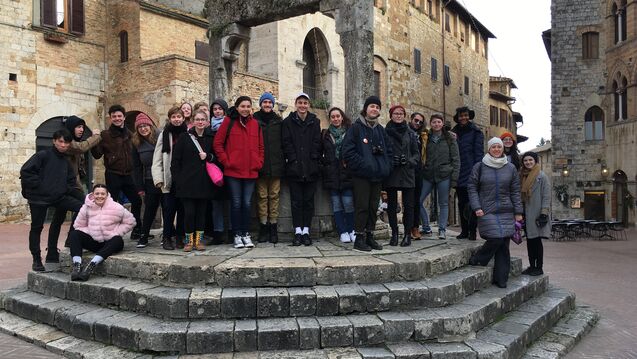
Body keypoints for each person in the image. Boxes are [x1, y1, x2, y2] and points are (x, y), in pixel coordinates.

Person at [20, 129, 84, 271]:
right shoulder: (43, 155)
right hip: (38, 199)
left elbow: (71, 181)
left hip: (58, 197)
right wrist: (41, 186)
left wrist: (68, 190)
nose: (63, 145)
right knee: (37, 228)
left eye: (66, 142)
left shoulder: (65, 161)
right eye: (60, 141)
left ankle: (70, 239)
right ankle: (36, 260)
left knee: (82, 208)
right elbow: (26, 171)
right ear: (54, 141)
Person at [468, 137, 523, 288]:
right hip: (487, 210)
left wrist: (518, 211)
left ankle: (501, 279)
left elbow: (515, 191)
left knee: (504, 244)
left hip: (506, 210)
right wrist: (476, 207)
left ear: (502, 149)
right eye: (494, 147)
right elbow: (472, 188)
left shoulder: (510, 168)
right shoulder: (479, 167)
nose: (497, 149)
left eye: (499, 147)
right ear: (489, 149)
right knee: (496, 238)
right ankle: (479, 258)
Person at [342, 95, 392, 252]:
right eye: (372, 106)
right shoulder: (356, 128)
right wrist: (364, 165)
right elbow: (348, 151)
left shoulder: (380, 130)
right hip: (361, 175)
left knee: (372, 207)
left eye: (377, 107)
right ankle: (359, 237)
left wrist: (385, 166)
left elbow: (388, 151)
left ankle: (370, 236)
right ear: (366, 109)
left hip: (377, 175)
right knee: (362, 206)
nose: (374, 109)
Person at [214, 96, 264, 249]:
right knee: (236, 203)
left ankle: (246, 234)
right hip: (233, 171)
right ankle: (237, 235)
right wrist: (226, 161)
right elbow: (218, 144)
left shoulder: (255, 124)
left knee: (247, 204)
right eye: (242, 106)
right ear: (237, 107)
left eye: (248, 106)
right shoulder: (228, 122)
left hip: (250, 171)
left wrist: (259, 162)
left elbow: (261, 147)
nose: (245, 109)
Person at [50, 115, 101, 252]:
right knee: (59, 217)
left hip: (74, 185)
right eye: (78, 127)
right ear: (71, 128)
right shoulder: (67, 142)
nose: (81, 130)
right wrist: (95, 136)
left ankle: (70, 239)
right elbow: (82, 147)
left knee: (82, 209)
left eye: (83, 127)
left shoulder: (75, 141)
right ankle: (54, 247)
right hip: (64, 186)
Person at [91, 104, 143, 239]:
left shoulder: (130, 135)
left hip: (128, 174)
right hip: (113, 173)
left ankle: (137, 229)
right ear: (110, 118)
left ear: (124, 117)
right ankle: (111, 232)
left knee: (137, 201)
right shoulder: (105, 135)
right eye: (114, 116)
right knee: (111, 204)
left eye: (119, 116)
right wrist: (94, 140)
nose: (117, 118)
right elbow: (97, 155)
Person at [171, 109, 216, 251]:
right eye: (198, 119)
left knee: (201, 213)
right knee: (189, 213)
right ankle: (189, 241)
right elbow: (175, 161)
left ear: (207, 122)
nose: (200, 122)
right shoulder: (185, 137)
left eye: (203, 119)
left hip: (204, 182)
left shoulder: (211, 137)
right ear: (193, 121)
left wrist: (207, 156)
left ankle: (199, 241)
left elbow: (217, 158)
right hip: (187, 182)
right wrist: (178, 180)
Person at [69, 184, 135, 281]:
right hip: (94, 242)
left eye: (102, 194)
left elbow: (131, 222)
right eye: (97, 193)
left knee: (118, 240)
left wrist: (116, 232)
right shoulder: (86, 207)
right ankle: (77, 266)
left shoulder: (116, 207)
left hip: (110, 242)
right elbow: (78, 225)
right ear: (93, 194)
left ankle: (91, 265)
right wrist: (90, 232)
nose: (100, 196)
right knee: (74, 234)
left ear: (107, 195)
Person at [282, 93, 322, 246]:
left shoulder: (315, 121)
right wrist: (292, 159)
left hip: (310, 168)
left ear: (308, 105)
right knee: (296, 201)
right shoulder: (288, 122)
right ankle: (298, 230)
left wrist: (313, 158)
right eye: (300, 102)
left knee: (308, 202)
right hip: (295, 168)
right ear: (295, 104)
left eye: (305, 103)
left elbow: (317, 142)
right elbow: (286, 142)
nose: (302, 105)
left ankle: (306, 231)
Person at [384, 105, 420, 247]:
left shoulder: (411, 133)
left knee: (409, 206)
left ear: (404, 116)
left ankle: (407, 234)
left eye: (401, 113)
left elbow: (416, 154)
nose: (398, 116)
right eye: (395, 113)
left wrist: (410, 161)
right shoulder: (385, 132)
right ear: (391, 115)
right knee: (392, 206)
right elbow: (383, 151)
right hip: (392, 172)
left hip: (407, 173)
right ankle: (394, 233)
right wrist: (391, 160)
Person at [152, 106, 187, 250]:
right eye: (174, 117)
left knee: (182, 210)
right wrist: (158, 179)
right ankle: (167, 237)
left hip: (184, 179)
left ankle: (180, 237)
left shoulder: (188, 133)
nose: (177, 119)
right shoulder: (164, 134)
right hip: (169, 179)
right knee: (169, 210)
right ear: (170, 119)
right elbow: (157, 158)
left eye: (179, 117)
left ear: (183, 118)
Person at [420, 114, 460, 240]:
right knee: (418, 200)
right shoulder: (425, 136)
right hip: (428, 174)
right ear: (430, 124)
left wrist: (454, 178)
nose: (436, 124)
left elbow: (456, 159)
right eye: (434, 122)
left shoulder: (450, 138)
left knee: (443, 203)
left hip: (444, 174)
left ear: (442, 124)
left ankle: (442, 229)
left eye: (439, 122)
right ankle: (426, 227)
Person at [254, 92, 285, 244]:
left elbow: (283, 143)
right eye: (264, 102)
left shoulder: (278, 121)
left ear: (273, 105)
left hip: (276, 165)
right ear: (261, 104)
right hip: (260, 166)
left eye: (269, 102)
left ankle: (273, 226)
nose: (267, 105)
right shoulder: (254, 120)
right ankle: (263, 227)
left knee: (274, 196)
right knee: (261, 197)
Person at [321, 107, 355, 243]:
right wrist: (325, 165)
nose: (335, 119)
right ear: (330, 119)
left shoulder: (350, 132)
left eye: (338, 116)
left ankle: (352, 229)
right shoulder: (325, 134)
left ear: (342, 117)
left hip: (347, 173)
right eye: (333, 117)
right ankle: (342, 231)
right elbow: (321, 152)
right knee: (336, 204)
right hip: (332, 174)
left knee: (348, 203)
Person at [452, 106, 484, 241]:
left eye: (465, 115)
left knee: (472, 205)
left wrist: (477, 171)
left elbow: (479, 154)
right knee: (461, 203)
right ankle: (464, 230)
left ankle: (472, 231)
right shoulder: (454, 132)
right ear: (458, 117)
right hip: (458, 172)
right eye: (461, 116)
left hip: (472, 172)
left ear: (469, 116)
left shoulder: (476, 132)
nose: (463, 118)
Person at [132, 112, 161, 248]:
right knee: (150, 208)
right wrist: (140, 187)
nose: (143, 128)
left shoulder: (160, 137)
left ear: (151, 126)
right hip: (149, 180)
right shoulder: (137, 143)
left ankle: (167, 235)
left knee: (167, 207)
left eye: (145, 125)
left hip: (164, 177)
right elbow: (137, 167)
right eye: (140, 127)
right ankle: (144, 236)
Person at [519, 151, 551, 276]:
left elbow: (546, 196)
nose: (528, 162)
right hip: (526, 213)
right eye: (525, 160)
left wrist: (544, 213)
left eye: (530, 160)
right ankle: (532, 266)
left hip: (537, 214)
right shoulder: (522, 176)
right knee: (530, 241)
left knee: (537, 242)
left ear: (535, 161)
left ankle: (539, 267)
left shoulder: (541, 176)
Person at [206, 98, 231, 245]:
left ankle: (231, 231)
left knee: (230, 201)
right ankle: (218, 232)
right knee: (216, 203)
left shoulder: (229, 127)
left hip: (228, 166)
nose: (217, 111)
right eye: (215, 109)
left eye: (220, 109)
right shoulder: (209, 130)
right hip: (214, 169)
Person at [408, 112, 426, 240]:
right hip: (408, 170)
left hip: (419, 171)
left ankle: (415, 227)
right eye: (416, 120)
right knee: (408, 201)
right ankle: (408, 227)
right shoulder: (406, 132)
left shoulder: (423, 135)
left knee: (416, 201)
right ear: (411, 119)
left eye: (420, 122)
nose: (418, 123)